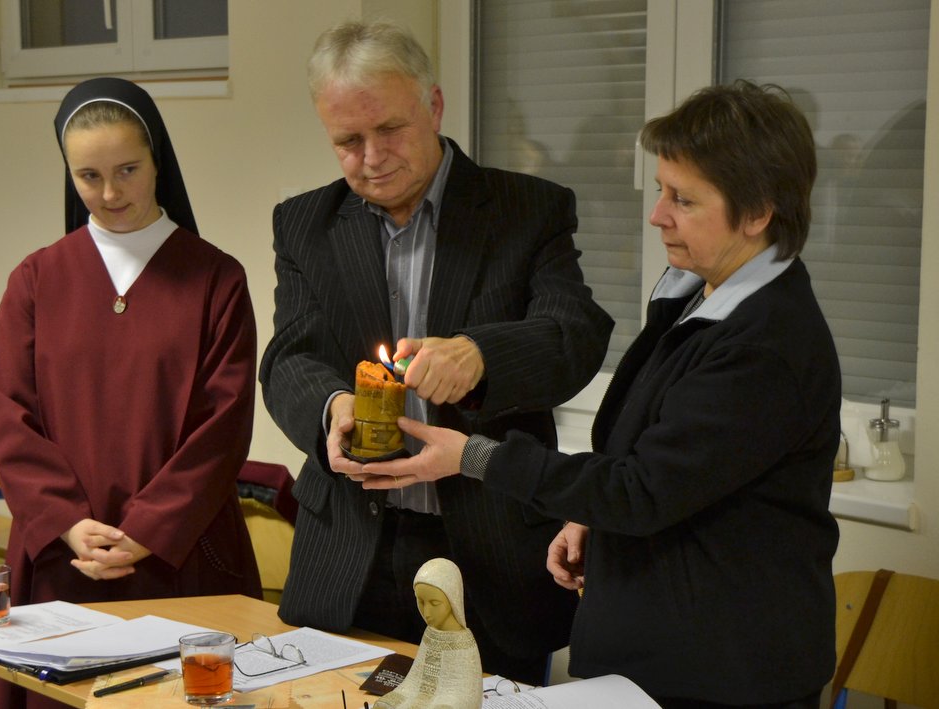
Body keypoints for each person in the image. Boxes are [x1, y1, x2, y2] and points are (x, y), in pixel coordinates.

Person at [364, 80, 841, 708]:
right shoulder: (698, 298)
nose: (657, 215)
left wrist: (471, 457)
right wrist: (593, 516)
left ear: (757, 214)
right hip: (658, 658)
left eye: (683, 199)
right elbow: (664, 463)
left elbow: (641, 491)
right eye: (661, 190)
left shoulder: (764, 344)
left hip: (720, 677)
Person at [258, 20, 613, 684]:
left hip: (489, 554)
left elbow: (574, 335)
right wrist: (332, 407)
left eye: (389, 129)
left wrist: (482, 354)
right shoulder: (305, 223)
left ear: (435, 106)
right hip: (351, 552)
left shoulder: (526, 209)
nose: (371, 157)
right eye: (347, 141)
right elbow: (289, 357)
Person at [0, 77, 260, 708]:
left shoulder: (215, 278)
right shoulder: (35, 279)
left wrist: (148, 528)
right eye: (89, 176)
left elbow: (224, 423)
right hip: (62, 561)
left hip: (180, 555)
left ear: (158, 159)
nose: (109, 194)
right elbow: (8, 411)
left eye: (127, 170)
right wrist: (66, 521)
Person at [375, 558, 483, 709]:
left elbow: (468, 692)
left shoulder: (463, 641)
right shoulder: (429, 632)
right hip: (417, 693)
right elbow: (414, 678)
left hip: (451, 698)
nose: (426, 612)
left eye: (434, 603)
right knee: (384, 705)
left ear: (452, 599)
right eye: (421, 601)